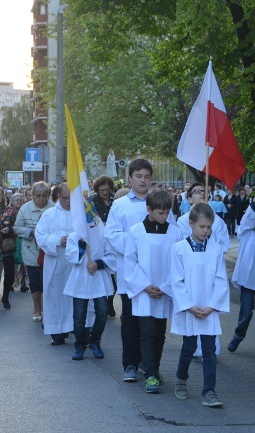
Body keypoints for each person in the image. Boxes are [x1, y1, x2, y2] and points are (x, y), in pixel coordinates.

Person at [104, 158, 175, 382]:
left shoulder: (160, 202)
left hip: (158, 274)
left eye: (147, 177)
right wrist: (139, 243)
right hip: (131, 273)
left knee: (155, 323)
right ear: (130, 178)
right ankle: (130, 364)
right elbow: (112, 235)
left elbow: (171, 232)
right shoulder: (121, 205)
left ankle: (151, 365)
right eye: (138, 176)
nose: (143, 181)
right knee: (132, 321)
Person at [170, 203, 229, 408]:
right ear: (191, 224)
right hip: (190, 309)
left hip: (209, 309)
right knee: (188, 348)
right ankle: (181, 379)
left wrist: (212, 306)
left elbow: (221, 279)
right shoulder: (179, 249)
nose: (206, 231)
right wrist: (189, 306)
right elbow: (176, 280)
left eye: (209, 227)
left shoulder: (216, 250)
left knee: (209, 350)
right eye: (202, 226)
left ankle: (209, 391)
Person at [124, 190, 182, 393]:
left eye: (167, 213)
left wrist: (166, 286)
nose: (165, 217)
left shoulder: (175, 233)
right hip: (143, 291)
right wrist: (144, 286)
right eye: (160, 213)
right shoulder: (136, 231)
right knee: (147, 333)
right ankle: (149, 374)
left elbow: (178, 263)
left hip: (164, 290)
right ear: (148, 209)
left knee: (159, 334)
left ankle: (155, 369)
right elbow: (130, 262)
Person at [65, 198, 114, 361]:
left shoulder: (103, 235)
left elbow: (112, 256)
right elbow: (70, 256)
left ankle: (95, 340)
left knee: (102, 311)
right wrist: (81, 244)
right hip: (80, 280)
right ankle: (80, 344)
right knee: (79, 316)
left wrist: (98, 264)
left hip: (98, 278)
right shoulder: (74, 236)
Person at [227, 187, 255, 356]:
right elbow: (249, 214)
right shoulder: (246, 233)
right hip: (248, 281)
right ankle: (238, 336)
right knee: (246, 313)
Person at [35, 183, 75, 345]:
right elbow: (40, 236)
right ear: (59, 197)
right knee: (56, 297)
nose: (70, 202)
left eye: (73, 198)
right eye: (66, 198)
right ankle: (57, 332)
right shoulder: (49, 214)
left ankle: (76, 327)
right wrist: (59, 240)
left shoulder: (80, 214)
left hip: (75, 265)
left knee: (74, 297)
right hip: (56, 263)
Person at [14, 182, 53, 323]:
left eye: (44, 196)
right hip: (31, 252)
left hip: (49, 253)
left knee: (48, 283)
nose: (41, 199)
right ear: (33, 196)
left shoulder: (54, 208)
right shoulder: (25, 209)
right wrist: (31, 232)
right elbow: (17, 228)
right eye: (38, 196)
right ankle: (37, 308)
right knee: (35, 282)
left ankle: (49, 309)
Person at [90, 175, 117, 317]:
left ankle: (110, 301)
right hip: (100, 239)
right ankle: (103, 304)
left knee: (114, 275)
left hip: (113, 239)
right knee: (104, 273)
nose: (105, 193)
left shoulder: (115, 201)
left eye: (107, 189)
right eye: (102, 190)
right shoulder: (94, 201)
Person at [177, 183, 230, 254]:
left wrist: (211, 234)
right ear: (190, 199)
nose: (202, 193)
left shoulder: (218, 220)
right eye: (197, 192)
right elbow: (181, 246)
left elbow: (224, 247)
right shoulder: (182, 220)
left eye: (204, 191)